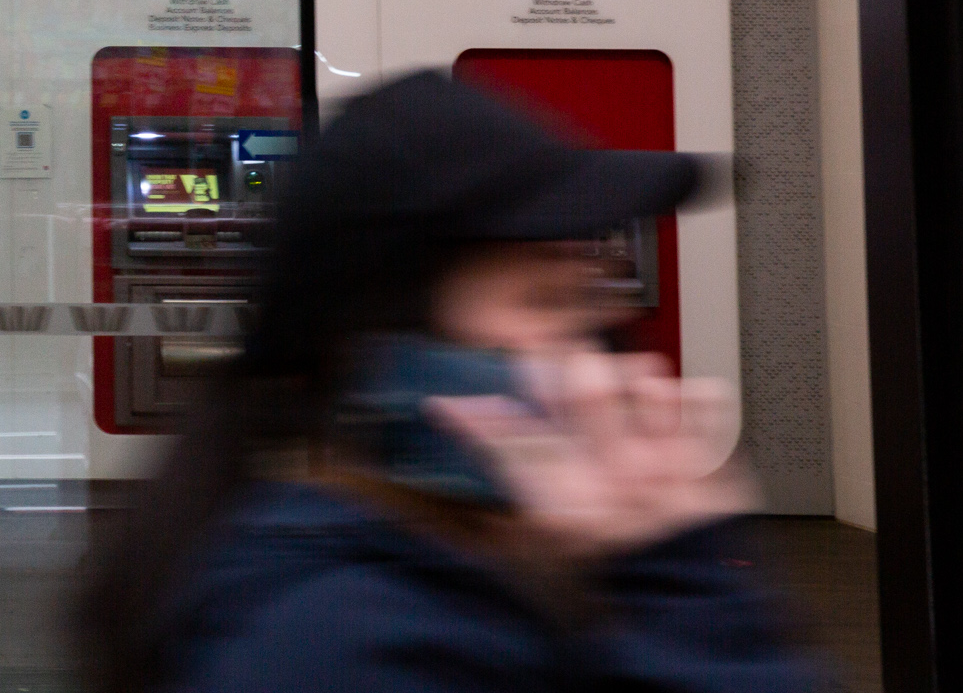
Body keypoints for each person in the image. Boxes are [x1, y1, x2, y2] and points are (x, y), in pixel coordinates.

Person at [81, 71, 822, 693]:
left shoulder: (469, 574)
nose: (598, 361)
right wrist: (684, 589)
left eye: (595, 299)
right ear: (378, 362)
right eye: (547, 302)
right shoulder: (345, 645)